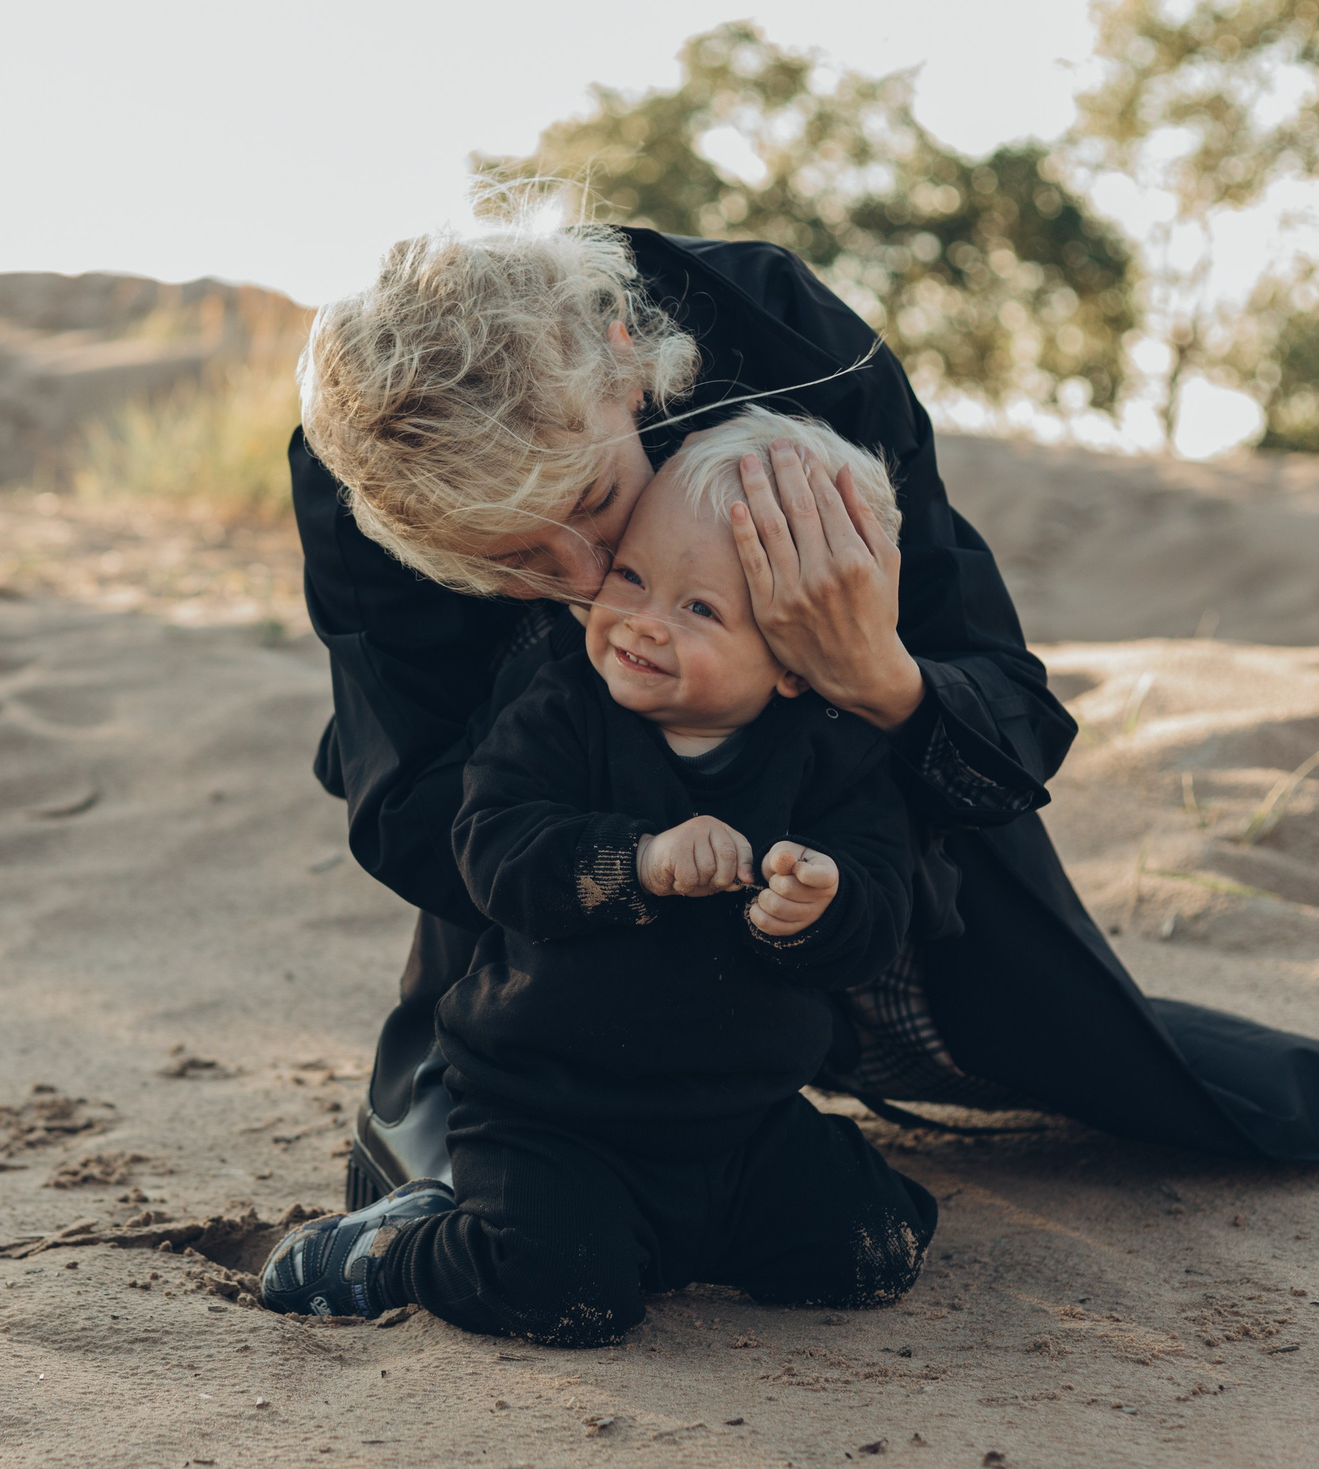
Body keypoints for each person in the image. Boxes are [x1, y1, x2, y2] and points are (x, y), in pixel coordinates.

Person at [292, 221, 1319, 1208]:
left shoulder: (786, 341)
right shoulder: (370, 465)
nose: (576, 578)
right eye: (510, 560)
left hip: (842, 818)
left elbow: (1009, 704)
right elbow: (405, 799)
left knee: (1088, 1059)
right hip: (555, 878)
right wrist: (630, 871)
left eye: (600, 499)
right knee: (461, 1194)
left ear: (625, 355)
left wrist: (872, 673)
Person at [262, 411, 935, 1340]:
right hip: (550, 1110)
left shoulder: (827, 751)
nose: (641, 623)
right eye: (632, 576)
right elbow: (492, 851)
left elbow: (879, 913)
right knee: (563, 1290)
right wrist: (638, 863)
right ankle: (394, 1251)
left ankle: (678, 1241)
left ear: (796, 659)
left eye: (700, 609)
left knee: (879, 1246)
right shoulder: (560, 710)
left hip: (742, 1119)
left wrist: (824, 903)